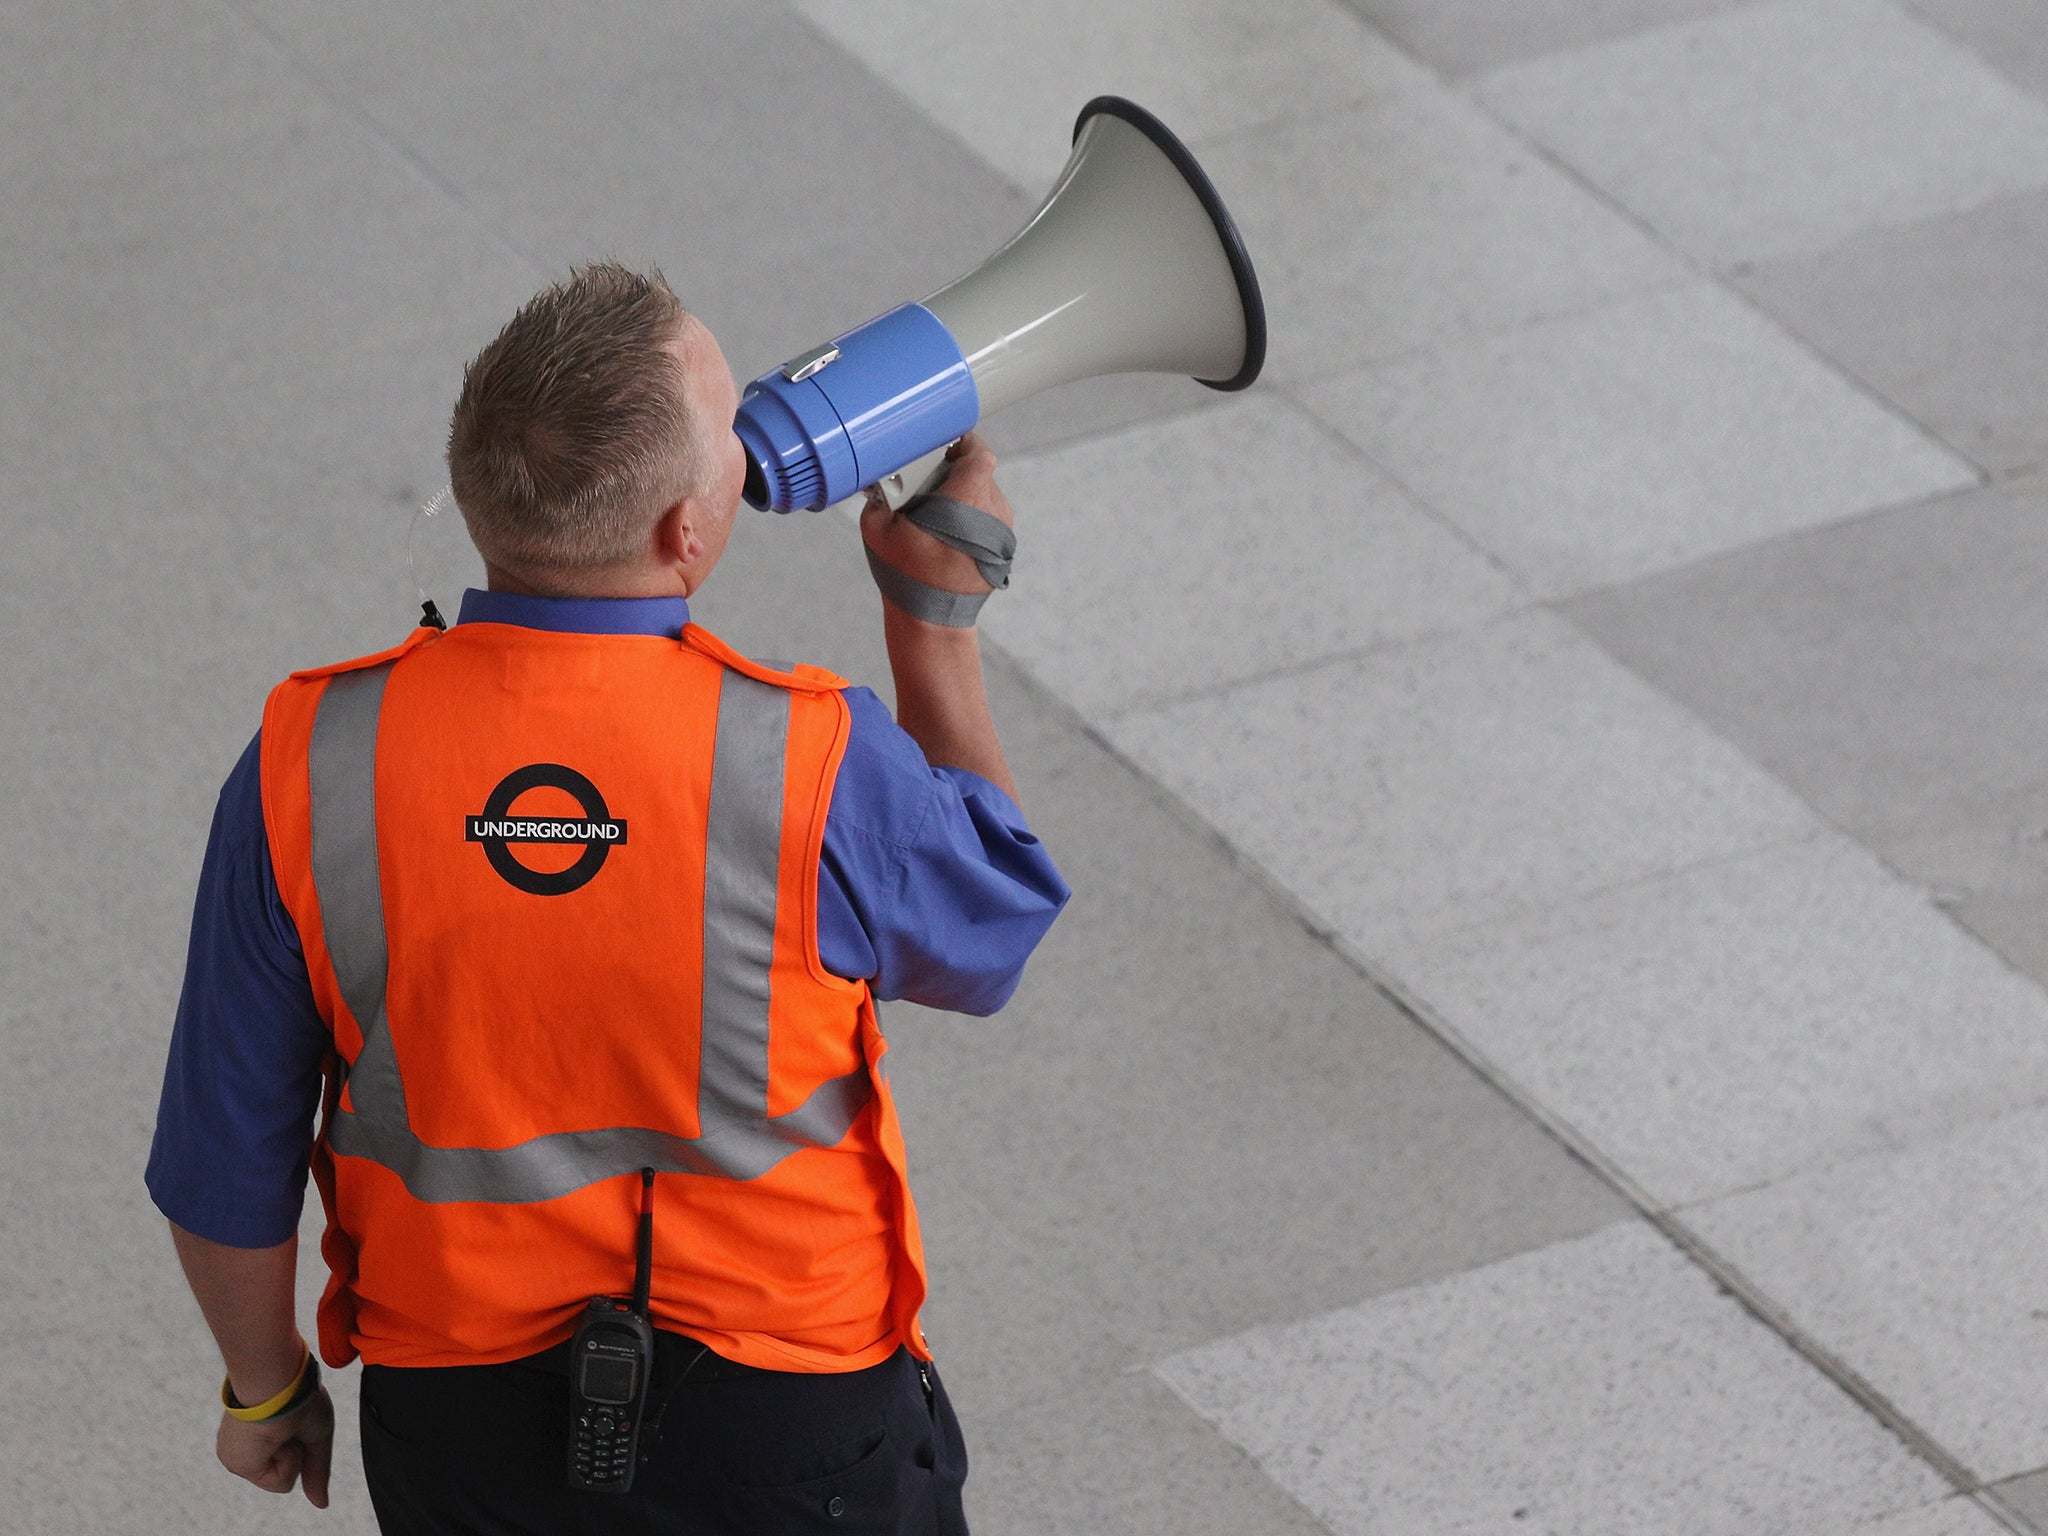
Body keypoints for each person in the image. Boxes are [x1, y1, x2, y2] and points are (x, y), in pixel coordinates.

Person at [146, 261, 1068, 1534]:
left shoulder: (311, 759)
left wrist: (266, 1391)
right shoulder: (813, 760)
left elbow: (221, 1154)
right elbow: (994, 936)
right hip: (788, 1414)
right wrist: (932, 627)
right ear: (685, 533)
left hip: (457, 1422)